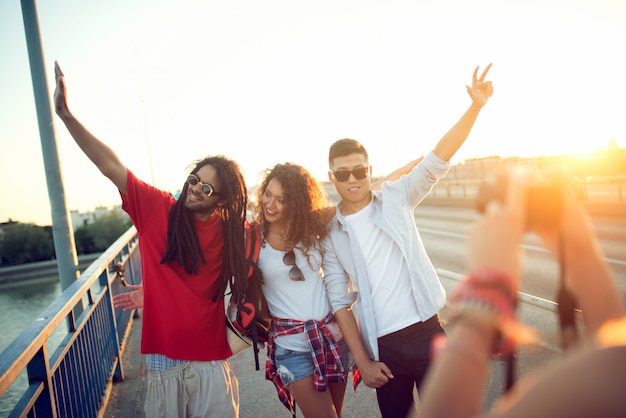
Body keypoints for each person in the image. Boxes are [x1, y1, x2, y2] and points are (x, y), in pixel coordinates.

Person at [54, 61, 248, 418]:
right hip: (164, 363)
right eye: (194, 178)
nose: (194, 188)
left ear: (221, 200)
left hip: (211, 362)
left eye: (206, 188)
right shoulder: (158, 209)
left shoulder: (234, 234)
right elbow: (111, 166)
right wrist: (67, 116)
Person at [322, 64, 494, 417]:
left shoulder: (397, 197)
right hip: (383, 349)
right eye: (343, 173)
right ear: (332, 177)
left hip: (428, 331)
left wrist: (475, 107)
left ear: (369, 170)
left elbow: (437, 159)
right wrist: (363, 362)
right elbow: (340, 302)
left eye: (359, 170)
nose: (352, 179)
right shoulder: (331, 234)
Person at [414, 171, 626, 418]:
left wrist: (482, 300)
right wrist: (582, 254)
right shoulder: (613, 377)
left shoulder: (578, 393)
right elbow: (613, 353)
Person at [254, 161, 418, 417]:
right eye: (268, 195)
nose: (270, 204)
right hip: (292, 347)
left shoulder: (310, 226)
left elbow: (359, 197)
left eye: (281, 200)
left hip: (332, 340)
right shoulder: (252, 238)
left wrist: (414, 165)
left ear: (295, 202)